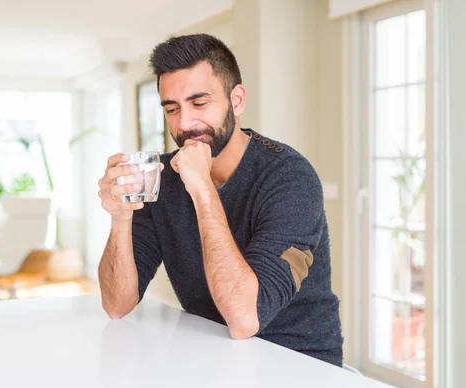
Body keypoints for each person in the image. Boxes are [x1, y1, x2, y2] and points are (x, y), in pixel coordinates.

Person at [97, 34, 343, 366]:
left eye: (199, 103)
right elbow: (116, 304)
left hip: (299, 365)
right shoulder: (163, 179)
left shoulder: (289, 177)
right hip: (212, 359)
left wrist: (202, 189)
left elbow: (245, 319)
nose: (185, 124)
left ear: (236, 100)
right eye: (172, 108)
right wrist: (120, 218)